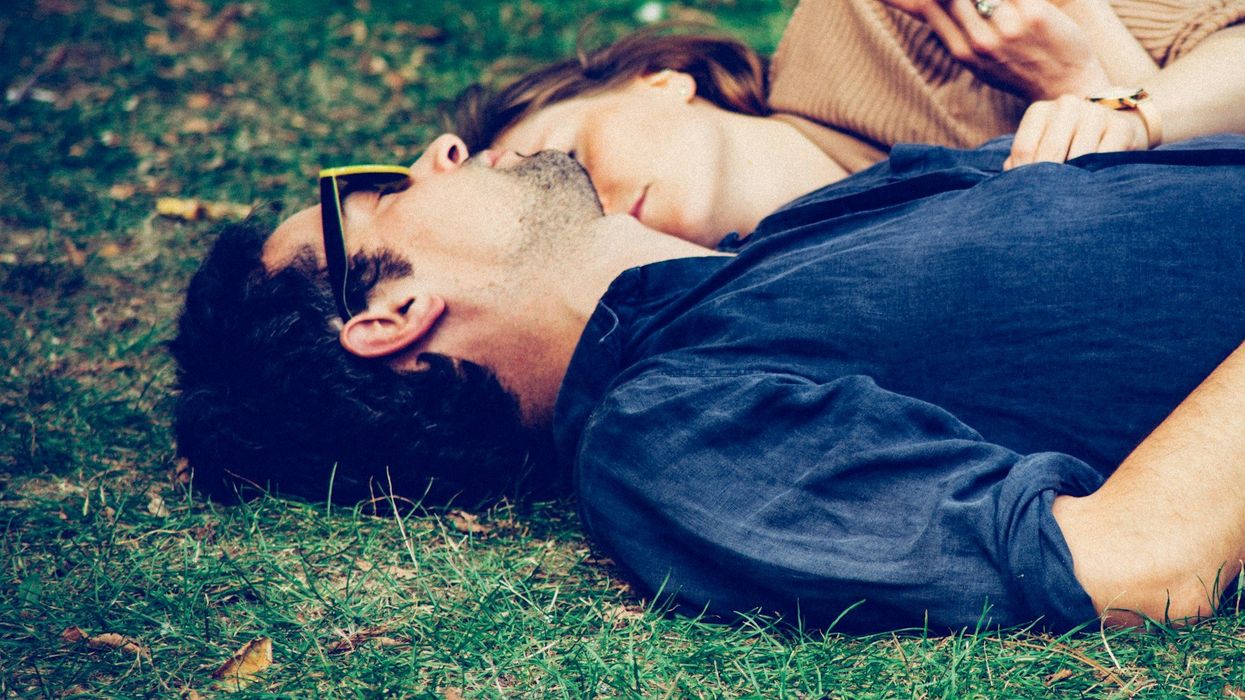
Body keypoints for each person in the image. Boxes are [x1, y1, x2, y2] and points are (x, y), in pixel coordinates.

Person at [173, 130, 1245, 633]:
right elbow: (1132, 566)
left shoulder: (770, 245)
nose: (443, 147)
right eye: (374, 192)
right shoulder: (664, 435)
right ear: (387, 315)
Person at [456, 2, 1245, 245]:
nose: (585, 208)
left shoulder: (873, 18)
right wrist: (1077, 81)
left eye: (562, 162)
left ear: (661, 80)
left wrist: (1122, 107)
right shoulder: (813, 283)